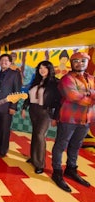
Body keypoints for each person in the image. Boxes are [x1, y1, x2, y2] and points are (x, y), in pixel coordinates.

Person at [51, 52, 95, 192]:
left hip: (86, 119)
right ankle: (57, 172)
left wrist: (87, 95)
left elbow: (81, 96)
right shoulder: (66, 79)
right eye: (76, 61)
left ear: (87, 63)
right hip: (69, 118)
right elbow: (72, 96)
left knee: (76, 146)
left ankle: (71, 169)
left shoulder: (92, 79)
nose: (79, 63)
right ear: (71, 63)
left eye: (83, 61)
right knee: (61, 145)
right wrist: (91, 97)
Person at [21, 61, 61, 174]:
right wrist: (24, 108)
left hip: (45, 112)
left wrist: (55, 117)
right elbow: (29, 96)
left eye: (45, 68)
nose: (42, 70)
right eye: (40, 68)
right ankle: (34, 158)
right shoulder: (36, 81)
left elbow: (58, 101)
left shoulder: (55, 82)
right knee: (34, 134)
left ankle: (40, 164)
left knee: (40, 135)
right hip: (33, 110)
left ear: (50, 69)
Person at [0, 53, 22, 157]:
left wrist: (13, 107)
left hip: (7, 107)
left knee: (5, 128)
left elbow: (17, 91)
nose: (4, 62)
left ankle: (3, 150)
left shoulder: (15, 74)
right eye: (2, 60)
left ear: (10, 62)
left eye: (6, 61)